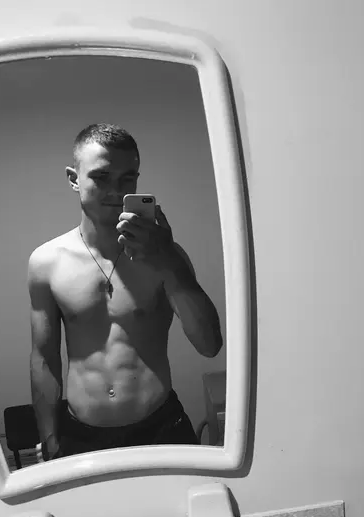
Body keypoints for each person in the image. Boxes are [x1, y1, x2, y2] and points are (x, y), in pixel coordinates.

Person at [28, 123, 223, 460]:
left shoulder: (166, 256)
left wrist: (169, 264)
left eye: (126, 179)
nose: (115, 191)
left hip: (161, 427)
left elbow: (209, 345)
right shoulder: (46, 262)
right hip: (81, 433)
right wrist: (49, 436)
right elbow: (44, 357)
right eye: (101, 177)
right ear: (74, 179)